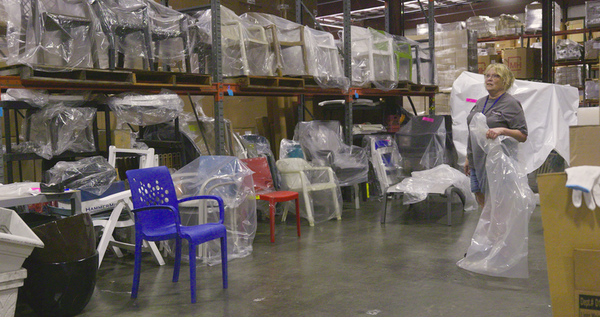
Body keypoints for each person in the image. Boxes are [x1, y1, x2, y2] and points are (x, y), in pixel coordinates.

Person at [464, 63, 528, 208]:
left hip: (498, 164)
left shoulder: (511, 104)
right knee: (483, 204)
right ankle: (490, 231)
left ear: (505, 80)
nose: (489, 79)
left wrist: (502, 130)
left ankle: (500, 231)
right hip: (477, 162)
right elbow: (473, 131)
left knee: (499, 206)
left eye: (495, 76)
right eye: (487, 75)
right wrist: (468, 157)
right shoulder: (480, 102)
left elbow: (523, 135)